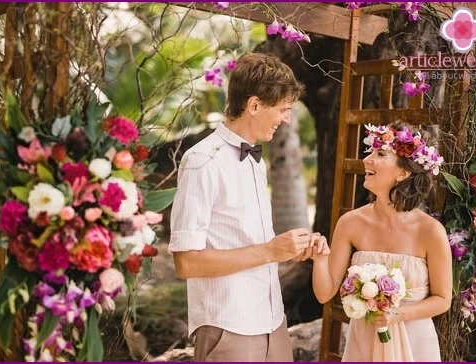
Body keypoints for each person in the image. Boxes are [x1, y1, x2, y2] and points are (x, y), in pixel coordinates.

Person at [169, 52, 317, 362]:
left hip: (273, 321)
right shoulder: (201, 162)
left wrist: (291, 249)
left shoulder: (254, 162)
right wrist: (271, 251)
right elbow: (187, 263)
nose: (287, 119)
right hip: (229, 327)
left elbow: (247, 241)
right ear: (253, 105)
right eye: (283, 110)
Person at [311, 122, 452, 361]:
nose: (367, 160)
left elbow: (442, 299)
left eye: (381, 154)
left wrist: (397, 314)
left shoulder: (431, 231)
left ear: (403, 172)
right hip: (364, 341)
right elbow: (325, 294)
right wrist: (320, 258)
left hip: (415, 342)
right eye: (371, 152)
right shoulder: (350, 223)